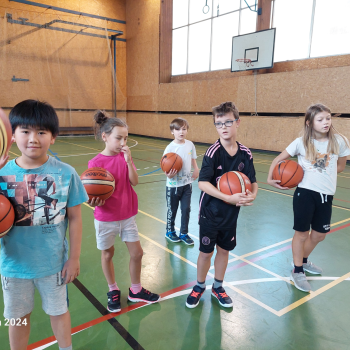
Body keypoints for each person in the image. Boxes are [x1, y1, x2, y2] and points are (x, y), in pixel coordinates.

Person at [0, 101, 88, 350]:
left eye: (41, 132)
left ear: (53, 137)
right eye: (25, 131)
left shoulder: (66, 173)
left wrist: (74, 258)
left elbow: (76, 218)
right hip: (14, 265)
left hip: (53, 264)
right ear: (13, 135)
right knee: (17, 317)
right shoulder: (2, 173)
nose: (33, 138)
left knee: (59, 311)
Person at [267, 103, 350, 292]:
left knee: (320, 234)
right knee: (302, 233)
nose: (326, 122)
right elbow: (277, 160)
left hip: (326, 195)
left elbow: (340, 166)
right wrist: (270, 178)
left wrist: (323, 173)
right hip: (304, 193)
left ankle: (302, 261)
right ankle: (297, 270)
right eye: (320, 119)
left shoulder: (340, 140)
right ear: (309, 123)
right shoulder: (301, 142)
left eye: (328, 118)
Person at [186, 102, 258, 308]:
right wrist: (228, 197)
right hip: (210, 213)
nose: (224, 127)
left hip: (231, 215)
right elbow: (202, 183)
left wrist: (251, 196)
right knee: (206, 252)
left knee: (224, 251)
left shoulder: (246, 153)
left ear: (238, 122)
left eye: (228, 122)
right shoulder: (213, 152)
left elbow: (253, 182)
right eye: (219, 124)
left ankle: (218, 287)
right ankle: (199, 286)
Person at [88, 111, 160, 313]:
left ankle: (135, 290)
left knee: (137, 253)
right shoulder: (95, 164)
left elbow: (134, 181)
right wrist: (92, 201)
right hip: (106, 218)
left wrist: (129, 161)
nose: (122, 142)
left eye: (126, 138)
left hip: (127, 216)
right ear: (105, 136)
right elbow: (91, 194)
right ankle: (112, 289)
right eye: (118, 138)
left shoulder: (124, 157)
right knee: (108, 254)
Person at [163, 118, 199, 245]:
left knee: (186, 209)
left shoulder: (190, 144)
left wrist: (196, 169)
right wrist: (169, 175)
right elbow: (165, 166)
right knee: (172, 210)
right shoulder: (170, 148)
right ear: (172, 131)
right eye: (177, 129)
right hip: (173, 186)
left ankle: (184, 233)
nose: (181, 132)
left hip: (187, 184)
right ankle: (170, 231)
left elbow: (193, 158)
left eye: (184, 129)